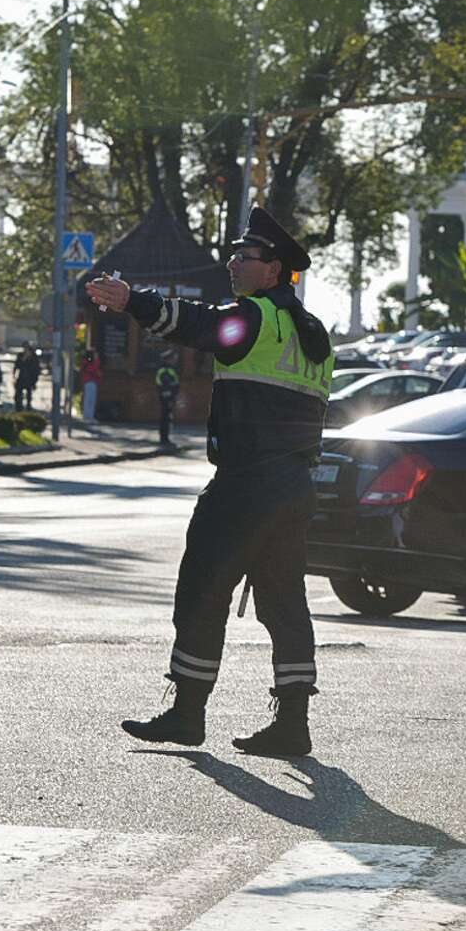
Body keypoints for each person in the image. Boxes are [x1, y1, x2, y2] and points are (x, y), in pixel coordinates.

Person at [86, 206, 333, 757]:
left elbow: (197, 324)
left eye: (244, 256)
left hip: (245, 483)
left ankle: (187, 713)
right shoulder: (314, 336)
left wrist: (132, 302)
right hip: (294, 488)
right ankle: (293, 723)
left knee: (202, 590)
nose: (233, 263)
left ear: (274, 270)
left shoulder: (256, 318)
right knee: (284, 602)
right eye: (234, 254)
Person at [154, 352, 181, 446]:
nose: (175, 360)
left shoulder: (170, 369)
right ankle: (164, 439)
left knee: (168, 418)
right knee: (165, 418)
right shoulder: (164, 370)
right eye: (173, 358)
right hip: (166, 397)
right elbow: (162, 383)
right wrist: (168, 394)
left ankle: (166, 438)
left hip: (170, 397)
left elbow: (175, 383)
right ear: (168, 359)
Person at [13, 344, 42, 411]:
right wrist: (14, 376)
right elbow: (17, 366)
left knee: (29, 395)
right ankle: (19, 408)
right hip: (21, 378)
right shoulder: (20, 355)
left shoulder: (34, 357)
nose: (26, 351)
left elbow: (36, 369)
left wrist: (35, 381)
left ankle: (28, 408)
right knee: (18, 395)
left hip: (30, 379)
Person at [80, 350, 103, 423]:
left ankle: (88, 416)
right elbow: (95, 370)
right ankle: (88, 417)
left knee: (89, 400)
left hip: (89, 382)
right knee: (90, 400)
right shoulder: (89, 363)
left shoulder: (86, 362)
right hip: (90, 382)